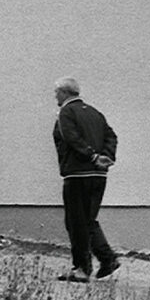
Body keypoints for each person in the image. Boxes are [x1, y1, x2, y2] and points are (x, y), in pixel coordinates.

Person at [53, 76, 120, 282]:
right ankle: (107, 260)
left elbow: (70, 137)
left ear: (64, 92)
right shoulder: (95, 113)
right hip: (98, 175)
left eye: (56, 92)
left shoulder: (67, 112)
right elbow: (112, 136)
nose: (55, 96)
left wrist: (91, 155)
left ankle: (82, 268)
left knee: (75, 221)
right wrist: (105, 156)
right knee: (88, 220)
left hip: (77, 173)